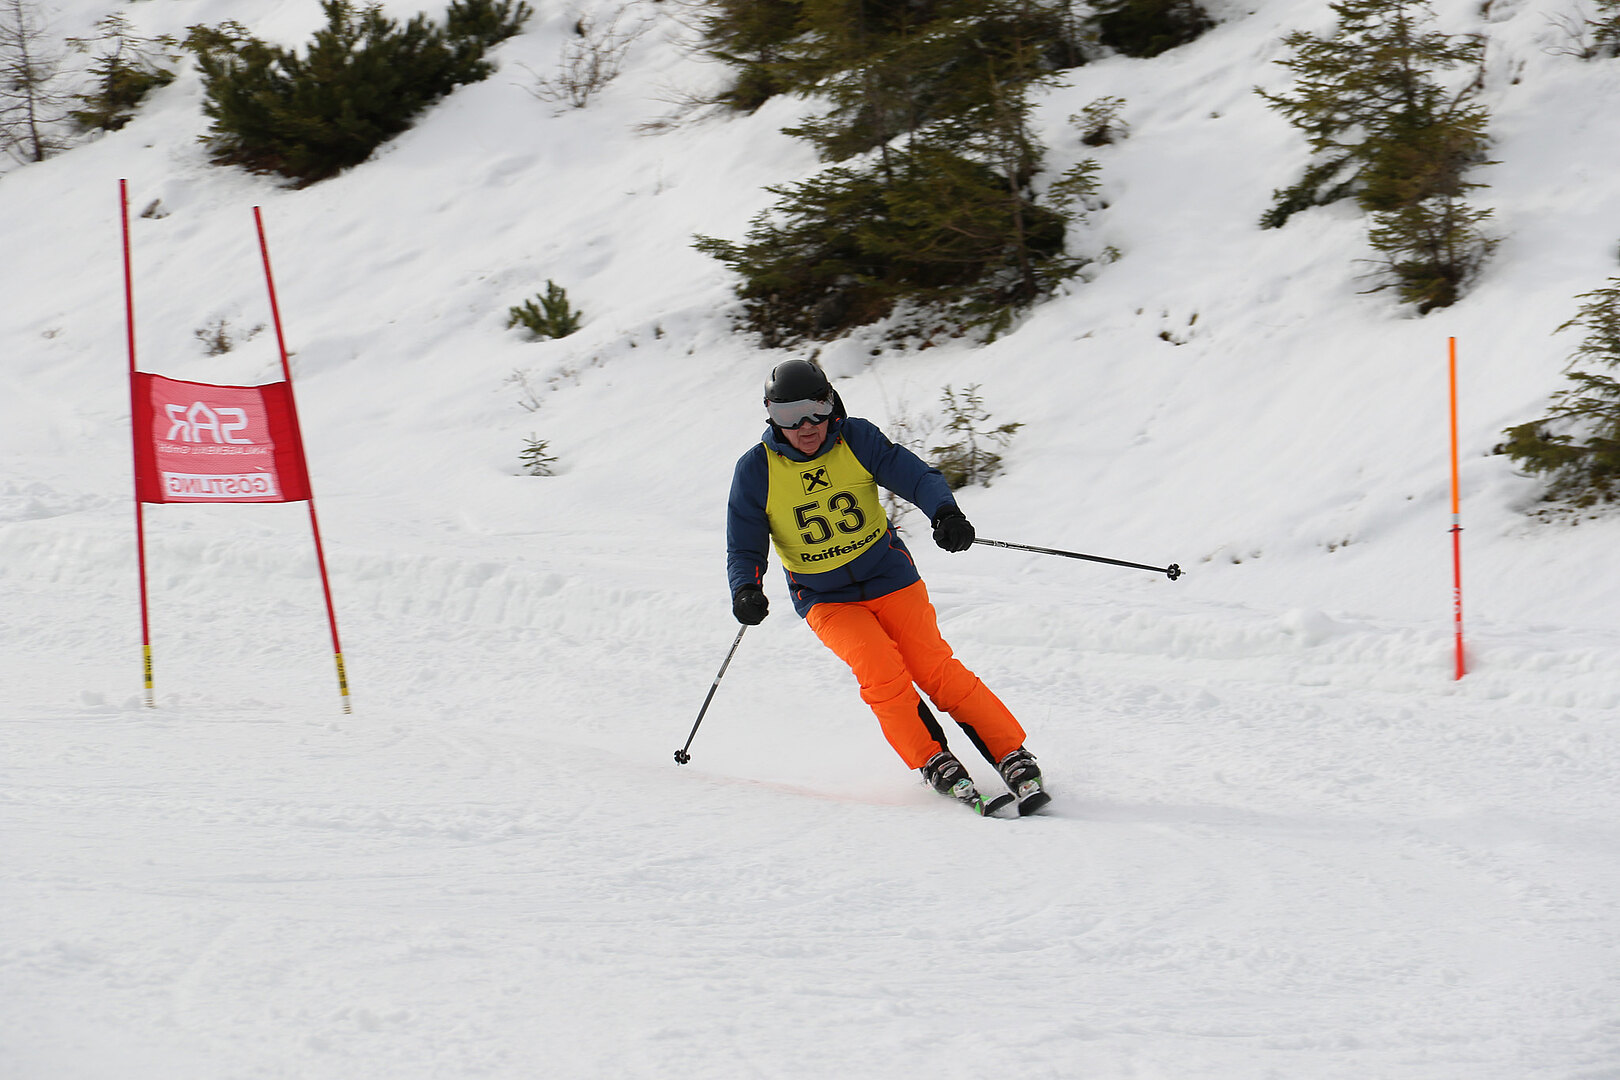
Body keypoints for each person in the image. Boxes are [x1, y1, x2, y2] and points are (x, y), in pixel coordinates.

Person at [725, 359, 1048, 814]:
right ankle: (932, 758)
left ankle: (1010, 753)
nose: (806, 425)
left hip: (889, 576)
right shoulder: (757, 470)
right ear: (770, 415)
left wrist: (945, 513)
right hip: (825, 598)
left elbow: (915, 475)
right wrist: (746, 589)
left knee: (933, 667)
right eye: (789, 415)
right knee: (879, 669)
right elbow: (744, 545)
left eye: (816, 409)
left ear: (831, 402)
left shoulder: (856, 438)